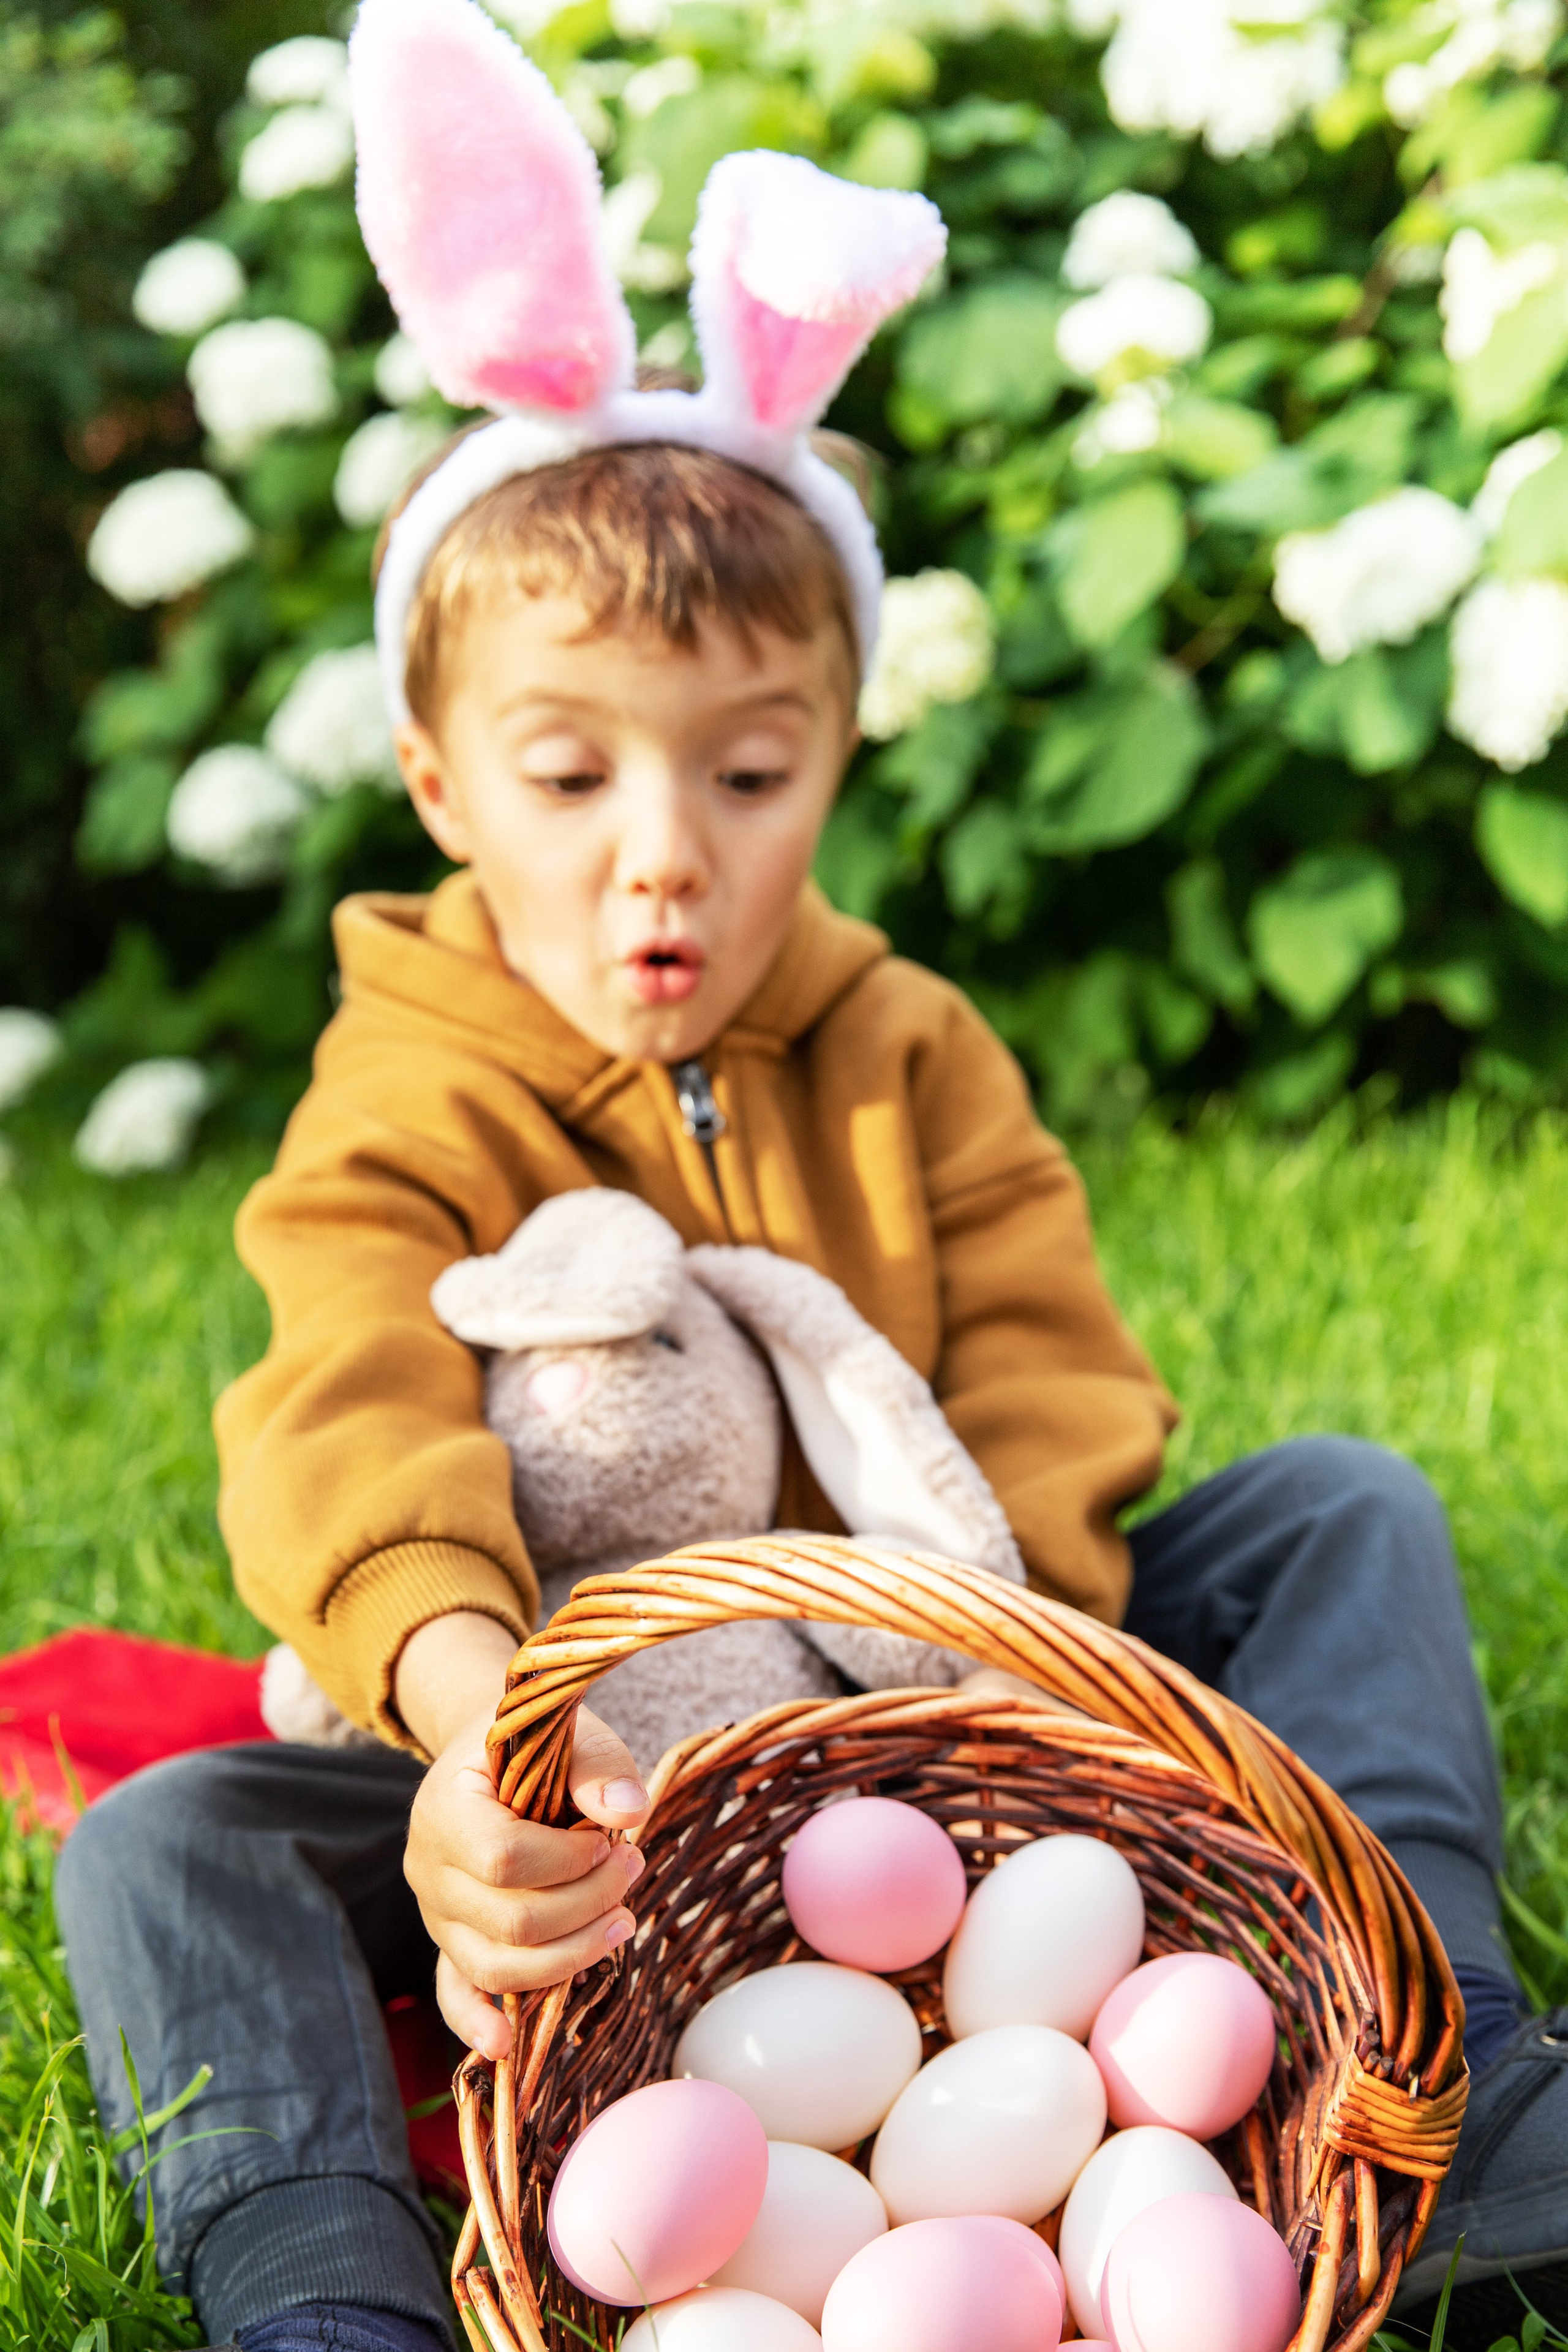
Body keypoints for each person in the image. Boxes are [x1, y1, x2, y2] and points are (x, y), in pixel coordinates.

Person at [55, 5, 1564, 2346]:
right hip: (589, 1779)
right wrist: (482, 1745)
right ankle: (316, 2285)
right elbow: (345, 1405)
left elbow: (1053, 1392)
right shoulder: (413, 1070)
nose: (664, 859)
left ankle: (1446, 2056)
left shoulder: (908, 1044)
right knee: (179, 1838)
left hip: (950, 1705)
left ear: (836, 759)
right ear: (442, 787)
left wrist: (979, 1727)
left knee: (1342, 1503)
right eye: (570, 783)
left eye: (748, 777)